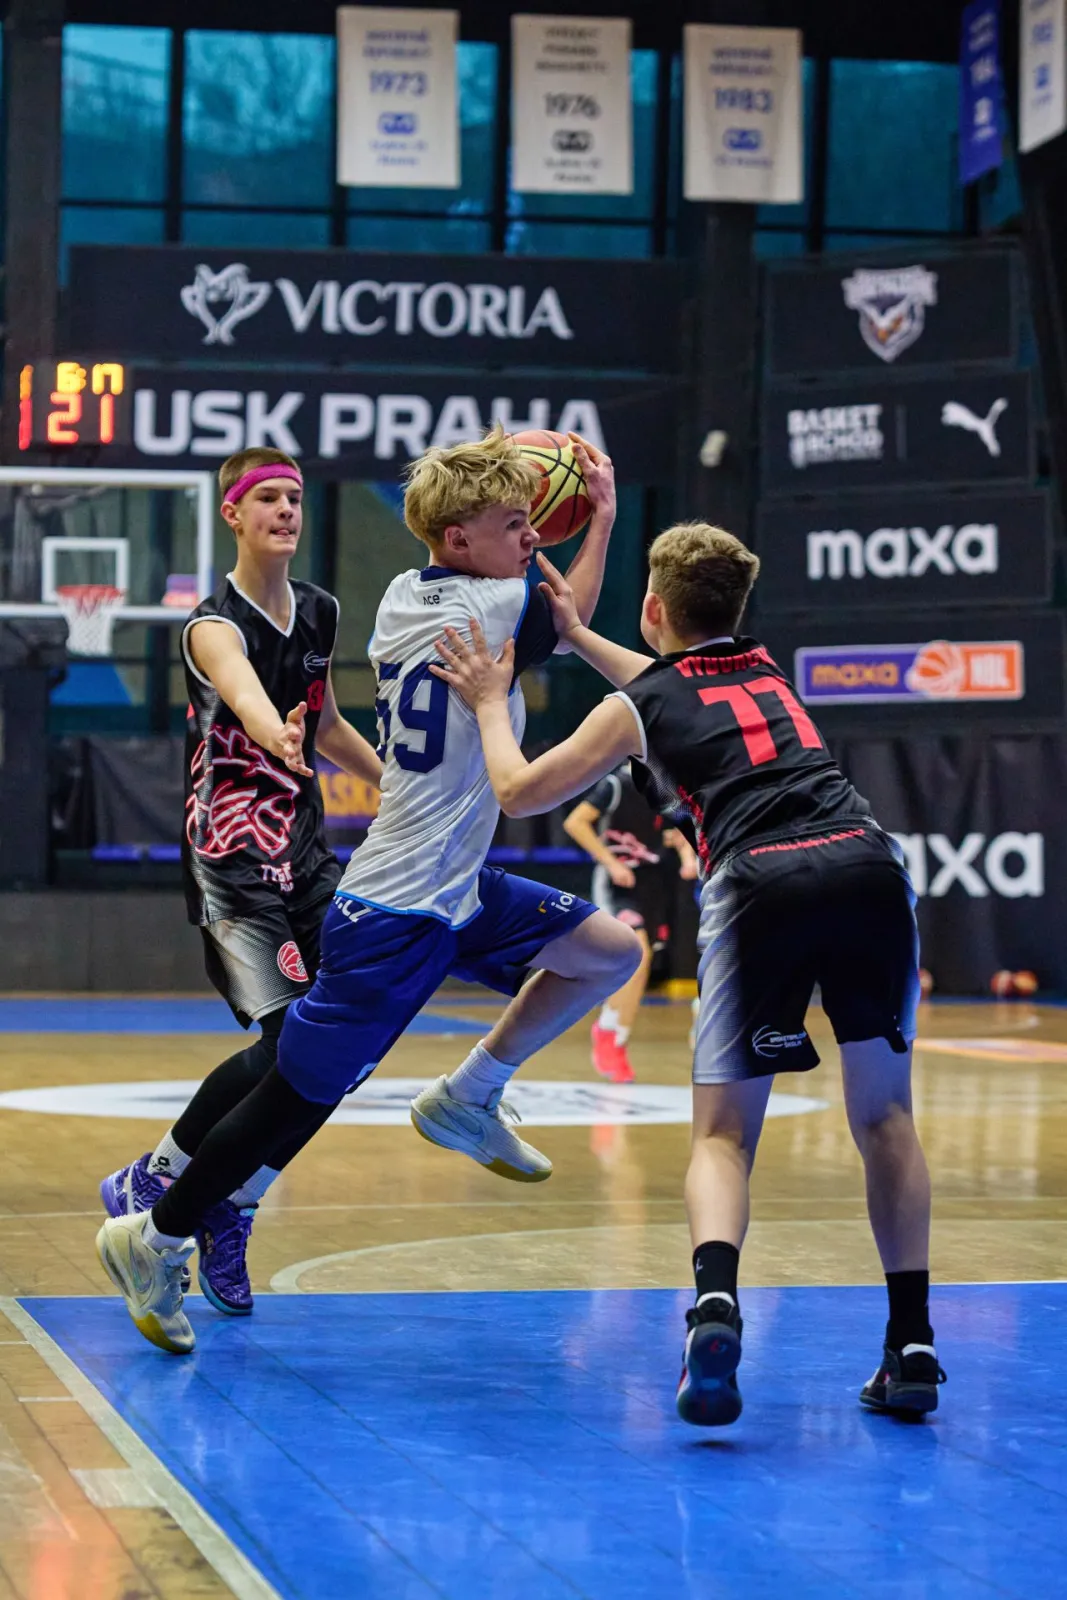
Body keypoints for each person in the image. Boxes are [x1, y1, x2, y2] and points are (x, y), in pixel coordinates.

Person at [95, 427, 641, 1355]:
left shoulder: (399, 596)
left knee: (608, 952)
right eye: (516, 525)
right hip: (388, 905)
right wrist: (604, 518)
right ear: (460, 540)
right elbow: (572, 612)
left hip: (446, 885)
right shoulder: (492, 606)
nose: (532, 537)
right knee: (292, 1089)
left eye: (533, 522)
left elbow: (532, 611)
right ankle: (153, 1232)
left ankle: (468, 1094)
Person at [428, 522, 943, 1428]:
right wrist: (579, 635)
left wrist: (489, 699)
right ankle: (912, 1346)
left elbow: (519, 790)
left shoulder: (637, 706)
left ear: (652, 607)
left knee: (724, 1137)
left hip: (760, 878)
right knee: (885, 1118)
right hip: (866, 862)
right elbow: (667, 685)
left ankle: (713, 1305)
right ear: (735, 609)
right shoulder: (766, 673)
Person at [98, 446, 382, 1318]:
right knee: (292, 1041)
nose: (287, 510)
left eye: (295, 497)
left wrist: (394, 784)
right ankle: (160, 1176)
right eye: (268, 499)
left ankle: (237, 1201)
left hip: (306, 853)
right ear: (233, 514)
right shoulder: (211, 626)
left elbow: (323, 721)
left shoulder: (322, 610)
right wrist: (272, 731)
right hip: (229, 858)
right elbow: (250, 698)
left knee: (349, 1042)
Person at [563, 766, 698, 1082]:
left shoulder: (669, 790)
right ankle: (607, 1029)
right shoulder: (617, 784)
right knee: (638, 953)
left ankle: (615, 1036)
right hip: (618, 885)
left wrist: (688, 858)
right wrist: (610, 862)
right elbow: (575, 822)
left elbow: (679, 834)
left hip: (654, 887)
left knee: (641, 966)